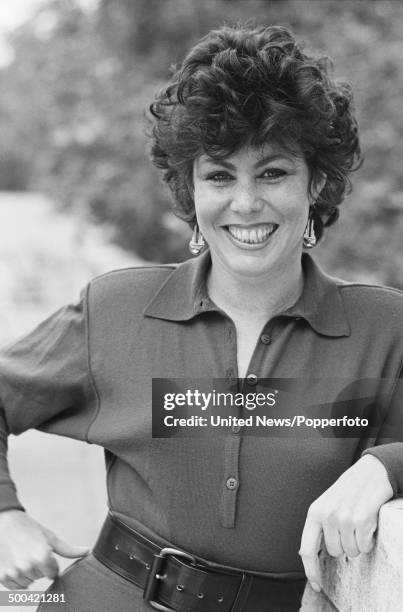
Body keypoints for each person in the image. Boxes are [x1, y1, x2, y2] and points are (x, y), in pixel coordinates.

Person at [0, 23, 402, 612]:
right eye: (219, 175)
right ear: (190, 193)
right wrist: (5, 515)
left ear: (315, 182)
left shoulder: (384, 327)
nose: (244, 204)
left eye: (272, 172)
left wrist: (387, 467)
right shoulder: (114, 310)